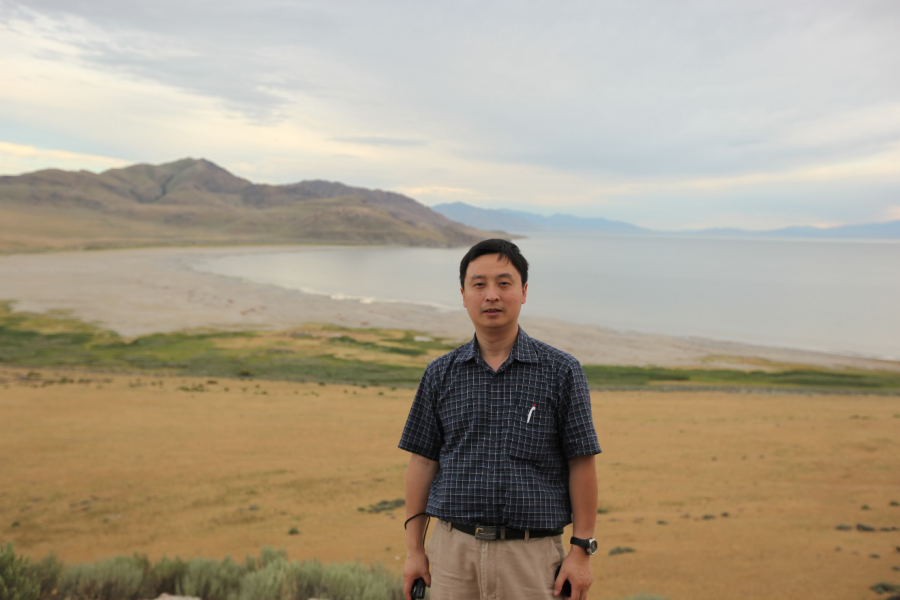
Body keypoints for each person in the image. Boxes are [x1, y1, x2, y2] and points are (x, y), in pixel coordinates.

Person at [399, 238, 602, 600]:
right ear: (464, 295)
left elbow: (581, 461)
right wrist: (415, 550)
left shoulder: (561, 371)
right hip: (452, 555)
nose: (491, 295)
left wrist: (581, 550)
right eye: (479, 284)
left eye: (504, 283)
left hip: (533, 559)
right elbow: (423, 462)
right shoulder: (440, 373)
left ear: (523, 292)